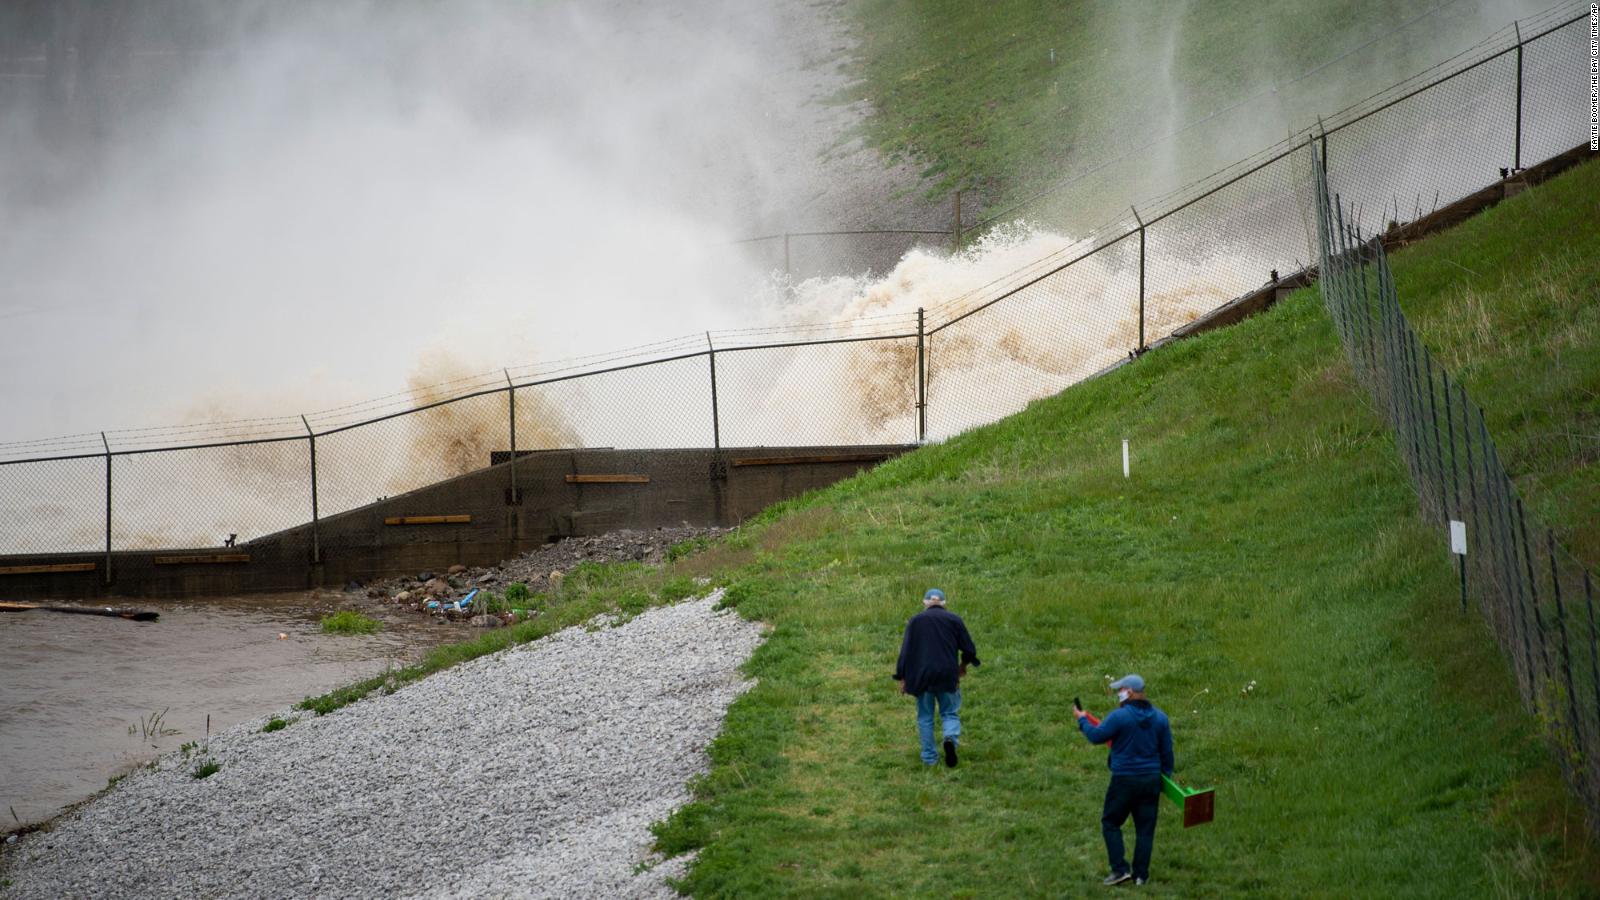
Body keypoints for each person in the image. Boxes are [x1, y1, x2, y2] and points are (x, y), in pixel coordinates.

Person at [1073, 674, 1174, 887]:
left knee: (1110, 822)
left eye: (1120, 689)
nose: (1118, 693)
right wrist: (1164, 779)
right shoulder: (1160, 718)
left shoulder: (1120, 717)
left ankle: (1119, 870)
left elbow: (1097, 736)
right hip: (1151, 780)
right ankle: (1140, 876)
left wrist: (1082, 720)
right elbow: (1167, 753)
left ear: (1129, 692)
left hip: (1124, 780)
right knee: (1145, 829)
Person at [893, 588, 980, 767]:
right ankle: (949, 739)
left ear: (925, 603)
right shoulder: (954, 619)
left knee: (925, 717)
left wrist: (902, 677)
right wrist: (962, 666)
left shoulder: (915, 621)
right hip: (947, 675)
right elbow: (969, 650)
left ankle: (929, 758)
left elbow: (905, 652)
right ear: (943, 603)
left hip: (922, 676)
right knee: (949, 712)